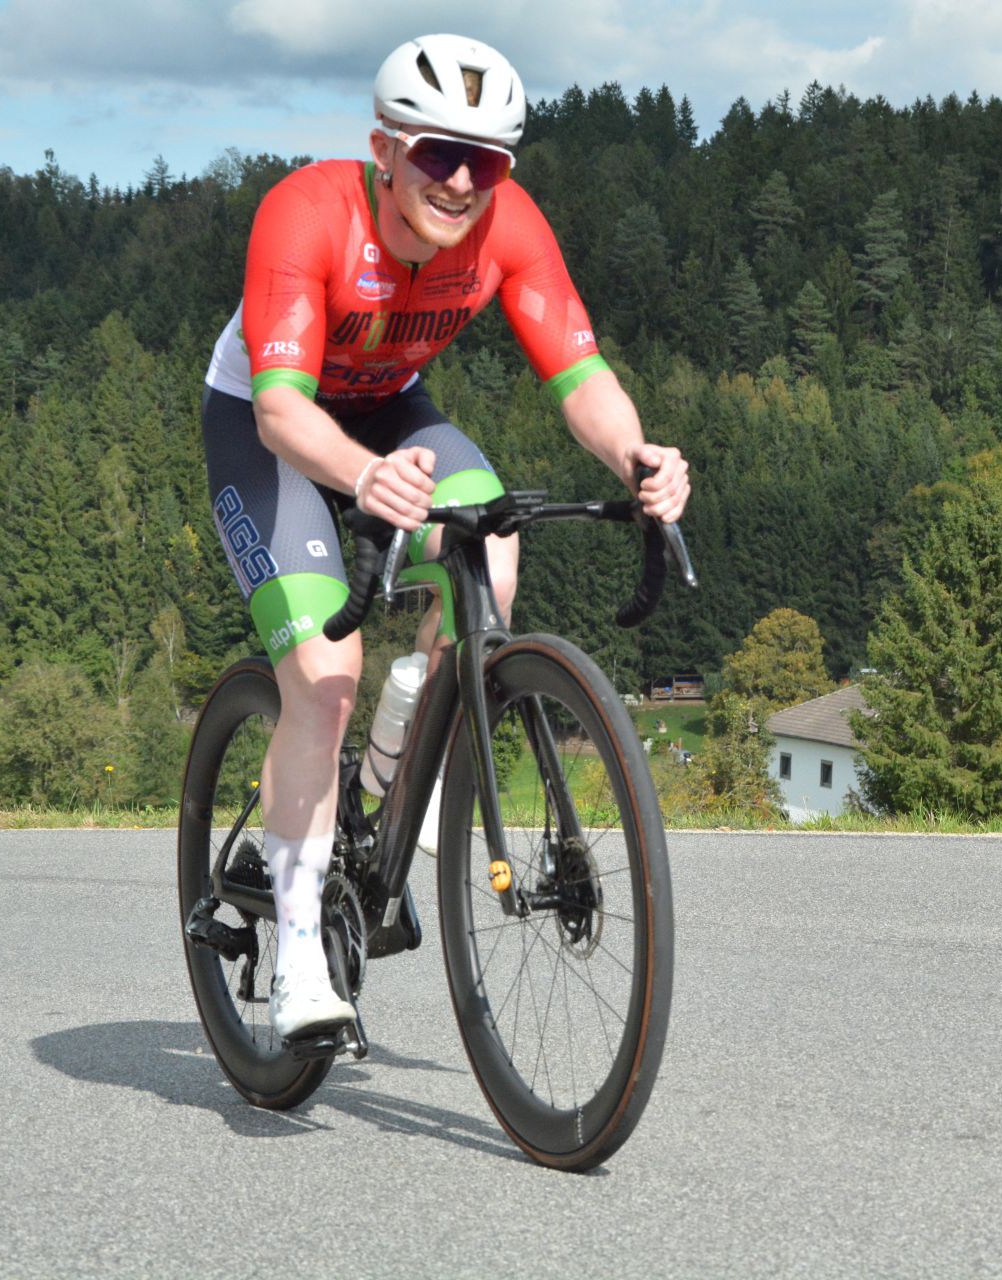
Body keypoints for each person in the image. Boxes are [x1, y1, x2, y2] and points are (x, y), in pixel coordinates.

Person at [200, 34, 690, 1039]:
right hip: (269, 423)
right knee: (325, 675)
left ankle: (388, 777)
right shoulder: (305, 214)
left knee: (492, 555)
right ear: (384, 149)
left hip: (390, 410)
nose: (462, 181)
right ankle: (299, 950)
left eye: (487, 161)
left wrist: (637, 455)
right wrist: (362, 478)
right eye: (436, 153)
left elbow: (581, 377)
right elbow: (283, 413)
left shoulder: (508, 226)